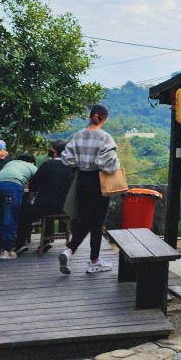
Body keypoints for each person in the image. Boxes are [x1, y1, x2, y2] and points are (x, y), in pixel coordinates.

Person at [59, 104, 120, 274]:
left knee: (85, 219)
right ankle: (84, 256)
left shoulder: (77, 135)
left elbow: (67, 159)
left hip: (81, 181)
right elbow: (108, 164)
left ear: (91, 117)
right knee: (96, 221)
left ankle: (77, 253)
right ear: (104, 119)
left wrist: (80, 164)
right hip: (98, 181)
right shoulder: (105, 138)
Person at [15, 139, 73, 254]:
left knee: (25, 213)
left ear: (55, 152)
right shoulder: (72, 166)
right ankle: (46, 241)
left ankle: (20, 244)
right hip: (66, 207)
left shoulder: (48, 164)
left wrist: (30, 196)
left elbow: (34, 183)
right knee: (48, 210)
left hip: (46, 205)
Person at [0, 153, 37, 260]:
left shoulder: (10, 163)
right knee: (10, 218)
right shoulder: (31, 166)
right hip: (12, 186)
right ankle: (6, 251)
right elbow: (38, 181)